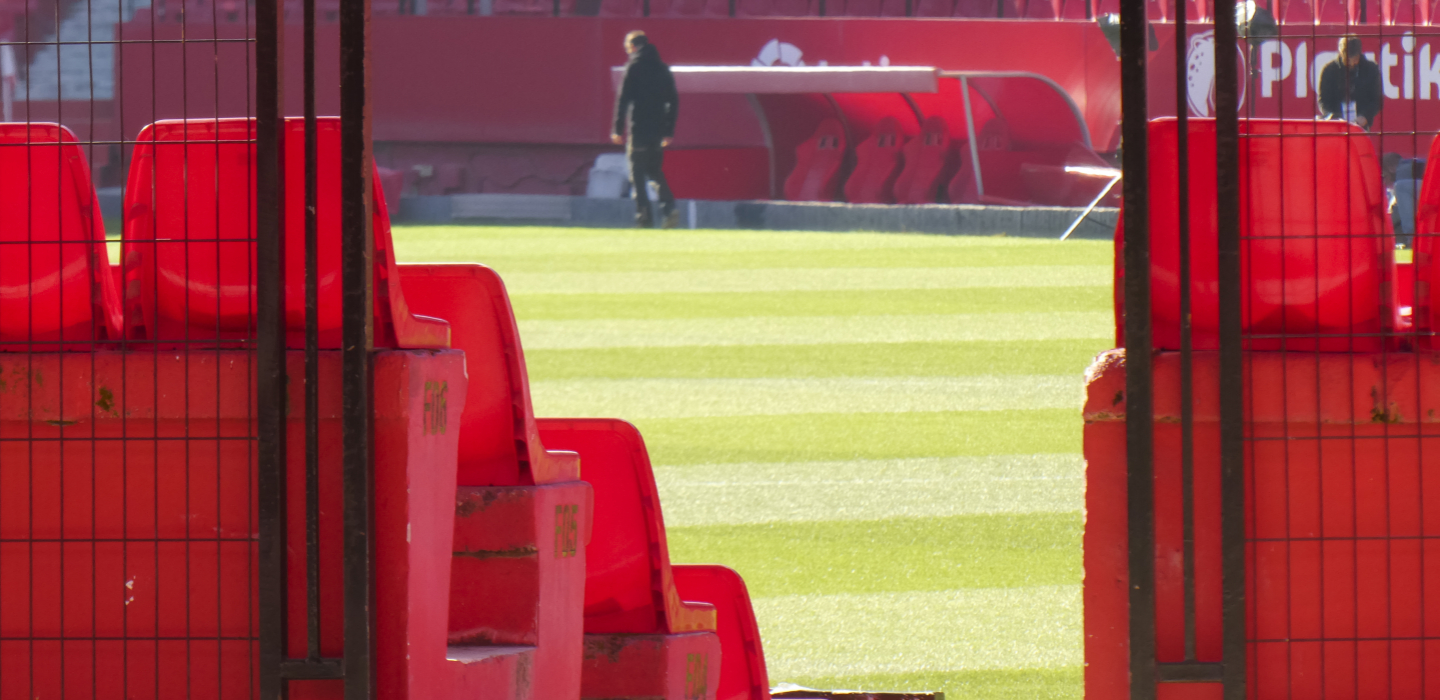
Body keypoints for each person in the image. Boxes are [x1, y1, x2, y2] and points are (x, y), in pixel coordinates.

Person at [611, 30, 680, 229]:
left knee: (637, 174)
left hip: (638, 128)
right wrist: (668, 131)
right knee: (655, 171)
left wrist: (617, 129)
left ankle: (644, 217)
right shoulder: (662, 69)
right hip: (658, 131)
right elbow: (673, 101)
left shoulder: (633, 67)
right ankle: (669, 209)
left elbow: (623, 99)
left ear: (632, 47)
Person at [1318, 36, 1383, 130]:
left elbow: (1378, 100)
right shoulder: (1329, 71)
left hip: (1360, 126)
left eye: (1355, 58)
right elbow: (1323, 101)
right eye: (1348, 60)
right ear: (1341, 54)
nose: (1353, 63)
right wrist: (1332, 116)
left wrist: (1365, 116)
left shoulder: (1371, 69)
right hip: (1336, 126)